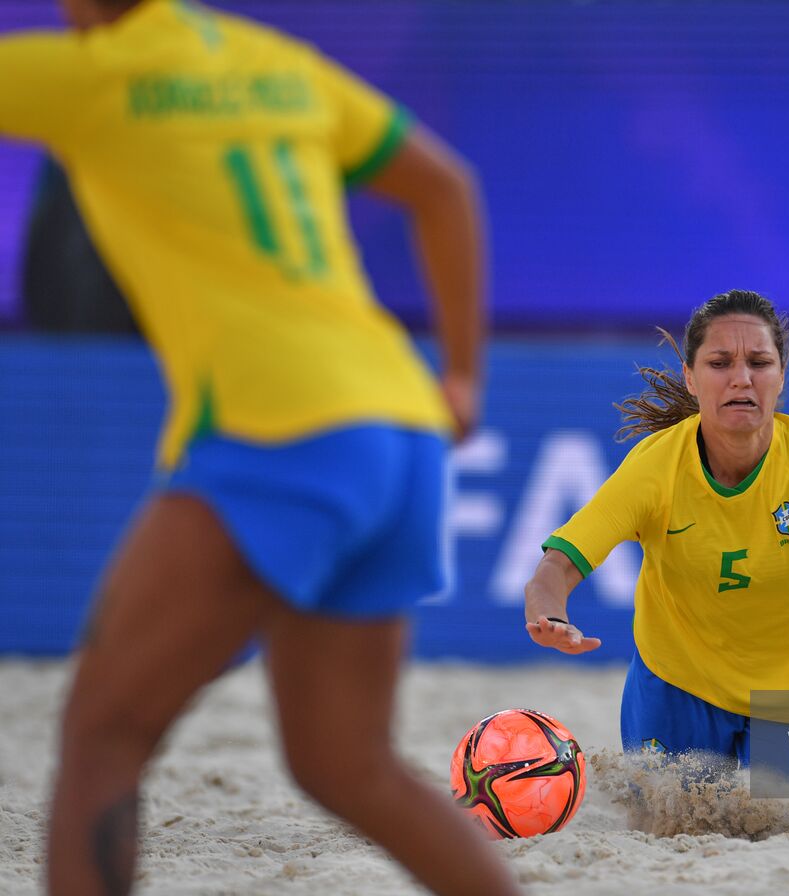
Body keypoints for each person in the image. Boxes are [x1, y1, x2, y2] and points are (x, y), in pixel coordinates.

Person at [0, 1, 521, 893]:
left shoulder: (90, 75)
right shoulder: (275, 61)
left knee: (102, 735)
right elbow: (447, 187)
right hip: (401, 428)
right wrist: (463, 378)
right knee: (345, 764)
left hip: (278, 430)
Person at [523, 289, 789, 777]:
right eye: (721, 363)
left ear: (781, 377)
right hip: (682, 680)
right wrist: (550, 616)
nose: (742, 377)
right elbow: (560, 564)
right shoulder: (654, 469)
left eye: (759, 362)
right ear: (691, 379)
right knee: (672, 819)